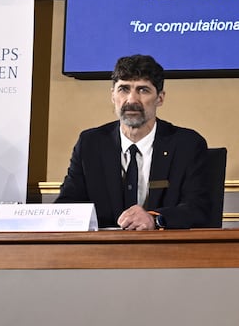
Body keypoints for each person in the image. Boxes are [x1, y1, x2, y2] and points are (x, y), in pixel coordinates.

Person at [54, 54, 214, 229]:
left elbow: (199, 209)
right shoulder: (90, 144)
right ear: (113, 96)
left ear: (160, 98)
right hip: (102, 251)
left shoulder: (187, 144)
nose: (131, 100)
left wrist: (154, 219)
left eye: (143, 90)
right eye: (124, 89)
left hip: (166, 250)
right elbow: (67, 205)